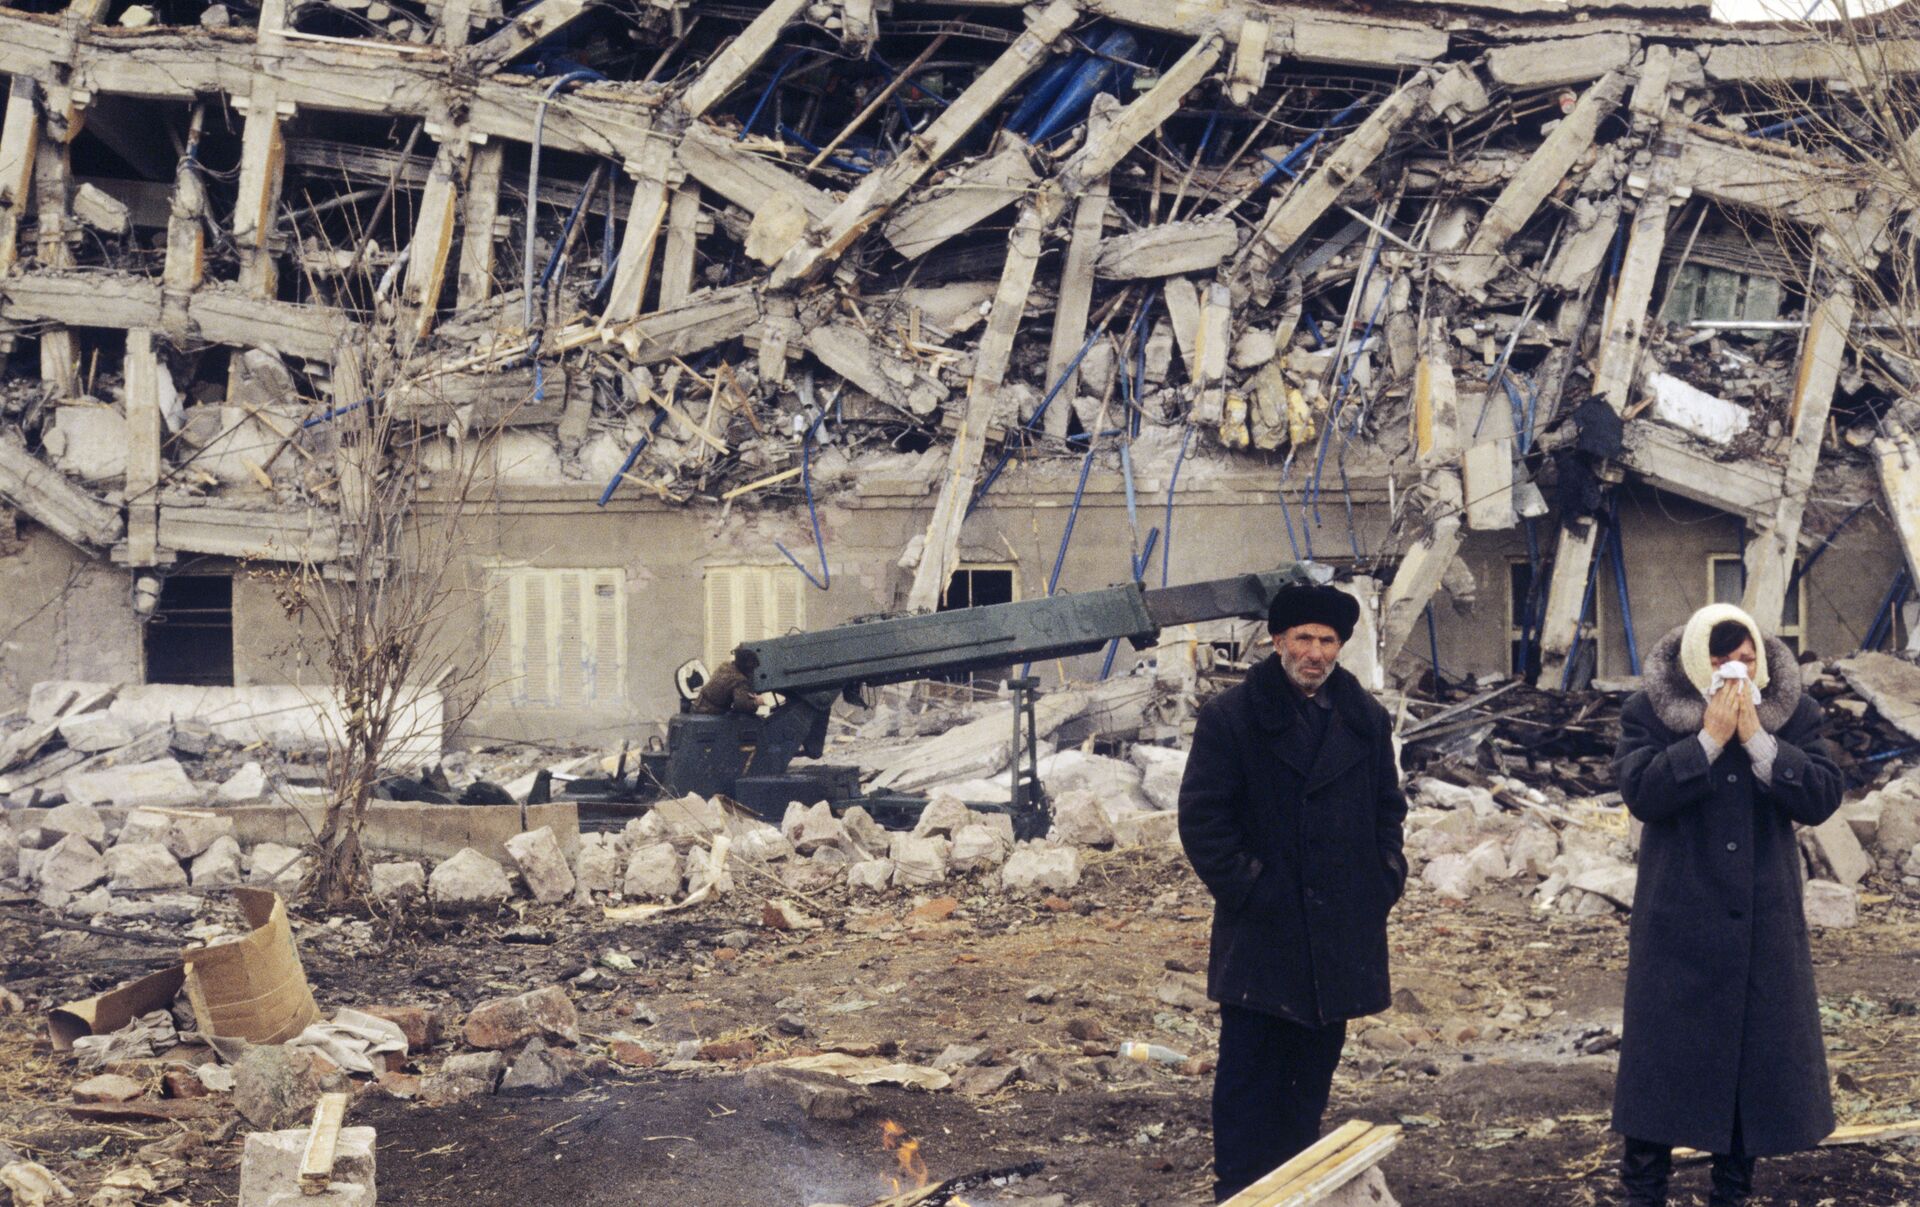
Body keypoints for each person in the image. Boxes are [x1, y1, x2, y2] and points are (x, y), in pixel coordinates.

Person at [1177, 584, 1408, 1202]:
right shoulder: (1232, 718)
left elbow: (1389, 809)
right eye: (1303, 638)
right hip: (1264, 933)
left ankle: (1297, 1193)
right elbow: (1203, 821)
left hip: (1339, 934)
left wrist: (1384, 878)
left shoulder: (1364, 719)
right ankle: (1239, 1196)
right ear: (1277, 641)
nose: (1315, 652)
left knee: (1309, 1082)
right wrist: (1254, 891)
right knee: (1249, 1084)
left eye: (1327, 640)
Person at [1612, 603, 1844, 1206]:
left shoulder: (1793, 712)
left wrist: (1759, 742)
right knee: (1660, 1067)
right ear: (1696, 661)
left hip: (1761, 920)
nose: (1734, 672)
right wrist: (1708, 741)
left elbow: (1822, 796)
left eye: (1745, 658)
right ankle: (1643, 1192)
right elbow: (1642, 794)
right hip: (1677, 921)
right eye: (1720, 660)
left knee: (1748, 1066)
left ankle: (1732, 1192)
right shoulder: (1649, 712)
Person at [692, 650, 762, 715]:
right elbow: (741, 706)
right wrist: (756, 703)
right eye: (752, 669)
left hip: (698, 704)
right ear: (747, 668)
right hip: (709, 711)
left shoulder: (725, 666)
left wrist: (745, 693)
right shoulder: (740, 680)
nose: (752, 672)